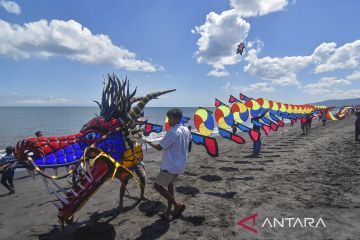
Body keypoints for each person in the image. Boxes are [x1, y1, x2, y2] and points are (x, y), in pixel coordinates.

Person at [145, 108, 192, 220]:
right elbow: (189, 146)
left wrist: (147, 141)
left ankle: (177, 205)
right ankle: (168, 212)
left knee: (158, 186)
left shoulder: (172, 131)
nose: (168, 120)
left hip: (170, 165)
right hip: (180, 164)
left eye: (169, 118)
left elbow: (159, 147)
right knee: (170, 186)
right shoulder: (186, 129)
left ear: (176, 118)